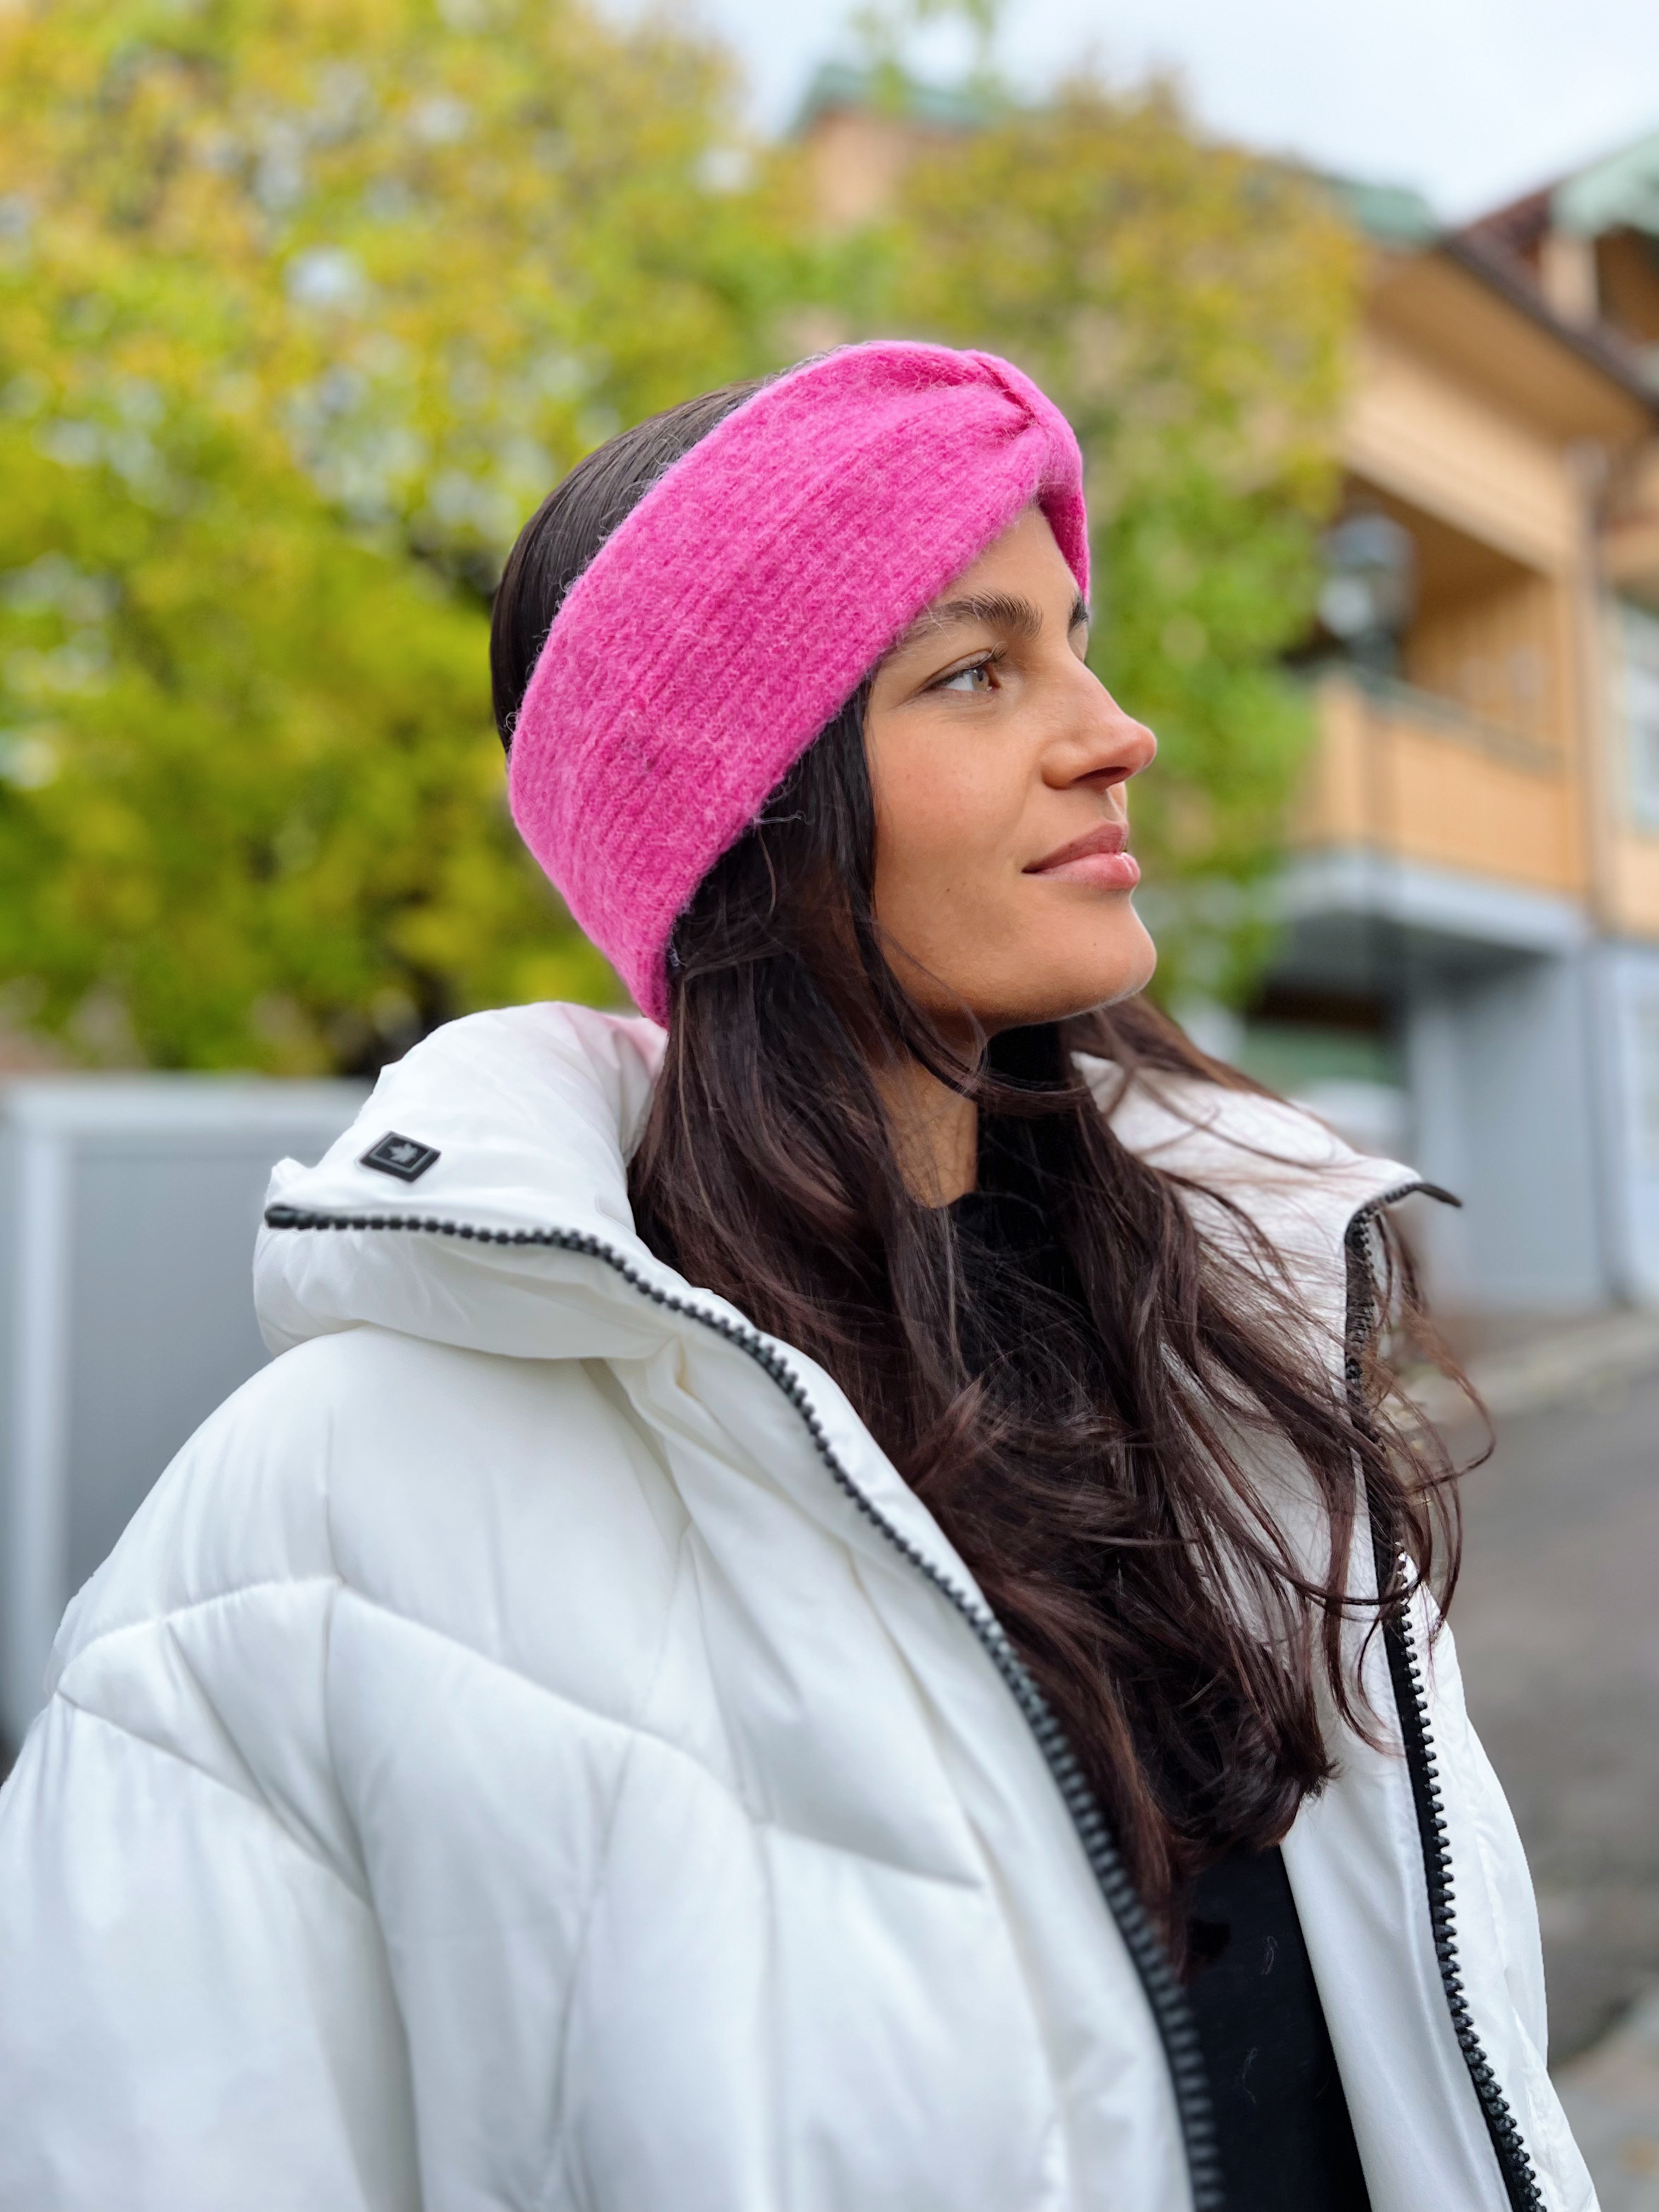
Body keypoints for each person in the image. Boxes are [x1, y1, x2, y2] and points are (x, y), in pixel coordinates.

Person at [0, 343, 1594, 2212]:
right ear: (741, 808)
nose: (1116, 732)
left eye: (1074, 643)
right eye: (977, 671)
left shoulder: (1220, 1354)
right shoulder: (317, 1527)